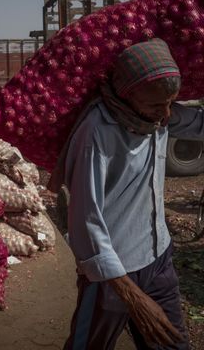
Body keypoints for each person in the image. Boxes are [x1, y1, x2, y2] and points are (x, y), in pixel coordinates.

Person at [49, 38, 204, 350]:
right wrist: (131, 296)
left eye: (170, 103)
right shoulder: (97, 132)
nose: (164, 115)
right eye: (154, 105)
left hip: (158, 258)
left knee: (173, 344)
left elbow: (199, 123)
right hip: (112, 275)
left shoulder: (159, 114)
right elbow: (85, 225)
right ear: (126, 93)